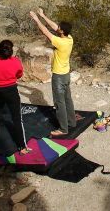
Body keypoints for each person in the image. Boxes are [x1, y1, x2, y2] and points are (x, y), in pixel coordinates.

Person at [29, 9, 81, 137]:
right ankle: (72, 122)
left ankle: (63, 129)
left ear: (62, 31)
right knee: (67, 99)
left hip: (58, 77)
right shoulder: (69, 38)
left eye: (59, 28)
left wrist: (36, 19)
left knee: (59, 103)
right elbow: (54, 27)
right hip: (66, 75)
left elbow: (45, 31)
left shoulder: (60, 42)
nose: (57, 28)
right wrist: (43, 15)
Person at [0, 39, 31, 156]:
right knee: (17, 119)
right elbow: (19, 75)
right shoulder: (16, 61)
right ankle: (22, 147)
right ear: (11, 50)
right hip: (12, 91)